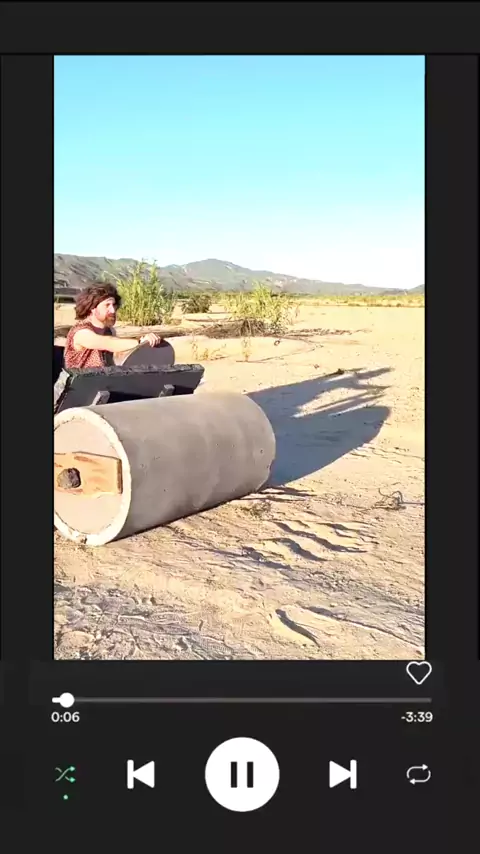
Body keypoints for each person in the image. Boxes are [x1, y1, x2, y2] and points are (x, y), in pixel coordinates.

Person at [63, 282, 162, 370]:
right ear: (92, 308)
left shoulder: (109, 331)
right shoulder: (81, 332)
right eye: (107, 305)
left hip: (104, 382)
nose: (113, 310)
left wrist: (146, 343)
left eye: (114, 305)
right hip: (80, 384)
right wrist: (140, 343)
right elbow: (106, 343)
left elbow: (118, 354)